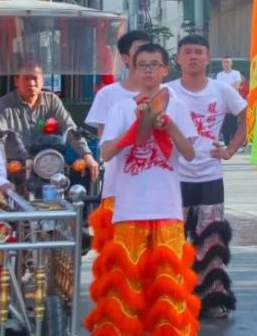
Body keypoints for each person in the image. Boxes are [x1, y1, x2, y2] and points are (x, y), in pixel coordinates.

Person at [85, 43, 200, 335]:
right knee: (125, 286)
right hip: (129, 209)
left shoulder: (179, 105)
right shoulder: (121, 108)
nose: (148, 70)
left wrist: (168, 125)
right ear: (132, 69)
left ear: (165, 68)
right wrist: (139, 124)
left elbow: (189, 153)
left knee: (169, 287)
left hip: (167, 208)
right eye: (142, 65)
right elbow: (107, 152)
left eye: (154, 64)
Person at [168, 35, 248, 319]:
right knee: (172, 241)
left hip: (210, 175)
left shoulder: (221, 90)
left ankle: (212, 297)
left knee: (211, 241)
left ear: (207, 58)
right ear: (177, 58)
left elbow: (247, 115)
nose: (192, 57)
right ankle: (172, 295)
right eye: (187, 52)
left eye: (198, 52)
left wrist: (231, 149)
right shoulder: (167, 91)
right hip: (173, 178)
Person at [83, 29, 152, 333]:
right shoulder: (109, 96)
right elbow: (105, 145)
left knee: (153, 262)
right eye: (139, 53)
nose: (145, 62)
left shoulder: (166, 94)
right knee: (117, 260)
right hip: (117, 189)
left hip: (155, 194)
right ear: (126, 58)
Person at [0, 59, 99, 187]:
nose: (31, 83)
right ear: (16, 81)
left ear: (42, 80)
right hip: (17, 168)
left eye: (35, 78)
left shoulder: (52, 100)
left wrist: (87, 156)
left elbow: (70, 129)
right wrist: (1, 169)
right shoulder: (3, 105)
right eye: (26, 78)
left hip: (49, 165)